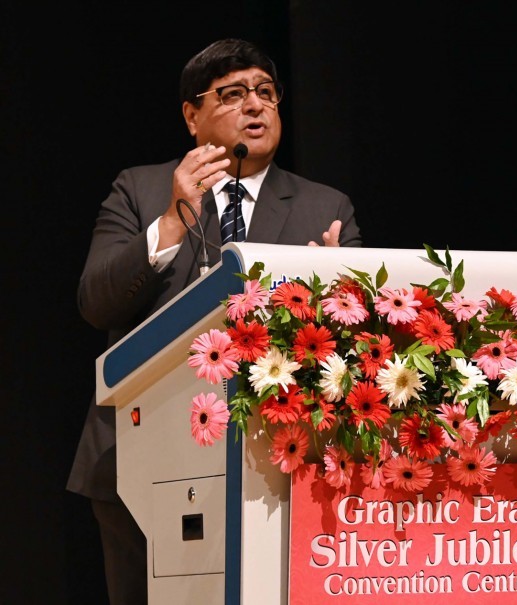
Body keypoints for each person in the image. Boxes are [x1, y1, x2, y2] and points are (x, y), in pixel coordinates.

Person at [67, 38, 361, 604]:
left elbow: (355, 347)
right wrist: (172, 220)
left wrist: (332, 292)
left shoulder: (325, 208)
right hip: (139, 457)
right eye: (232, 94)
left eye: (266, 92)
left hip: (276, 458)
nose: (255, 105)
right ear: (191, 115)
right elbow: (96, 303)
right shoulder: (140, 189)